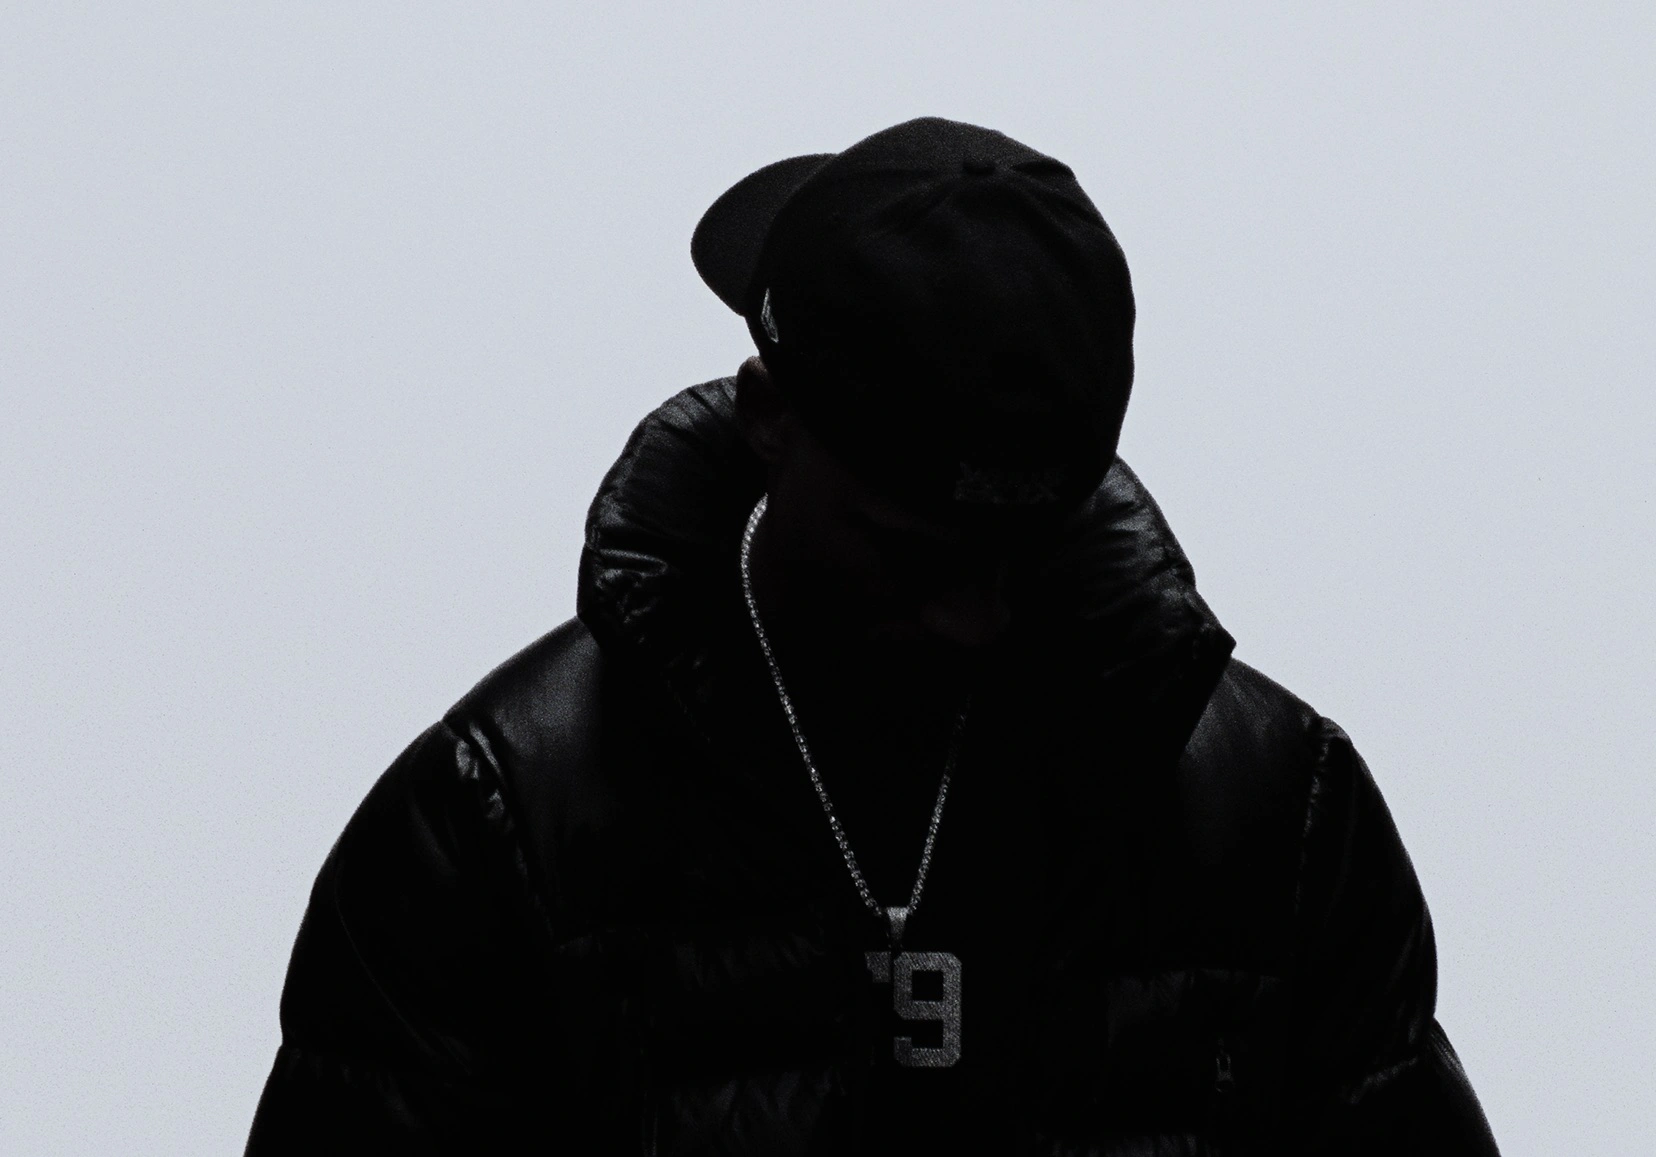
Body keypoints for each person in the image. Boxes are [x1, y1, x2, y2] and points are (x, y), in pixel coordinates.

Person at [244, 116, 1500, 1155]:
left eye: (1023, 547)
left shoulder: (1277, 816)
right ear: (769, 418)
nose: (978, 610)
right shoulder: (498, 824)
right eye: (916, 551)